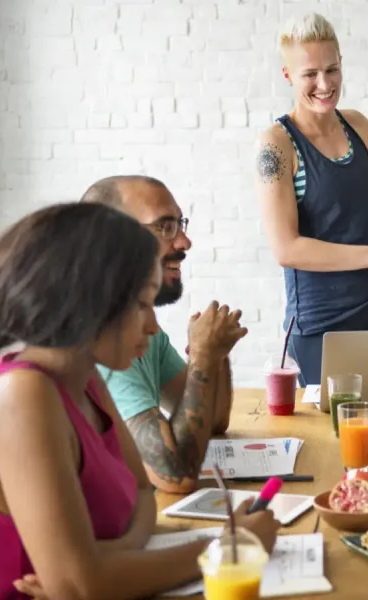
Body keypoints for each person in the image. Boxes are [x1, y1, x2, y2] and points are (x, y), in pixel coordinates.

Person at [0, 203, 279, 600]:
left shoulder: (87, 377)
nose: (153, 325)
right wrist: (228, 547)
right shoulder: (22, 395)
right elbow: (79, 584)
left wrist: (103, 560)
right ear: (88, 300)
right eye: (142, 304)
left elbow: (143, 499)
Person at [254, 12, 368, 385]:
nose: (325, 84)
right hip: (323, 326)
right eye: (310, 74)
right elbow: (286, 248)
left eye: (332, 69)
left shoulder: (356, 125)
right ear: (288, 75)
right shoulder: (277, 144)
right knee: (333, 439)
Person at [81, 175, 248, 494]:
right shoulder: (104, 344)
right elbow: (176, 476)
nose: (185, 242)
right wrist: (201, 357)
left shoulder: (143, 329)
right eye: (164, 227)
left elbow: (212, 421)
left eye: (180, 224)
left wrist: (214, 353)